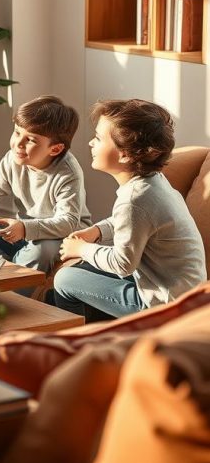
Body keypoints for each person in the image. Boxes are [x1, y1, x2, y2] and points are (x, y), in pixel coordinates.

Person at [51, 98, 207, 320]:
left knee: (65, 280)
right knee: (81, 270)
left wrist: (82, 249)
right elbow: (133, 222)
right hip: (178, 290)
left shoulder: (134, 200)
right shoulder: (152, 183)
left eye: (97, 138)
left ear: (125, 155)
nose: (90, 143)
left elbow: (122, 263)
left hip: (166, 304)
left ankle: (79, 342)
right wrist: (97, 231)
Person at [0, 95, 90, 278]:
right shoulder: (13, 158)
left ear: (55, 149)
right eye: (17, 133)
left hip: (59, 237)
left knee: (43, 250)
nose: (18, 144)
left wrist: (25, 228)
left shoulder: (68, 173)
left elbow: (68, 222)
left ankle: (13, 285)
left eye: (30, 140)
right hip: (21, 235)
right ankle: (11, 270)